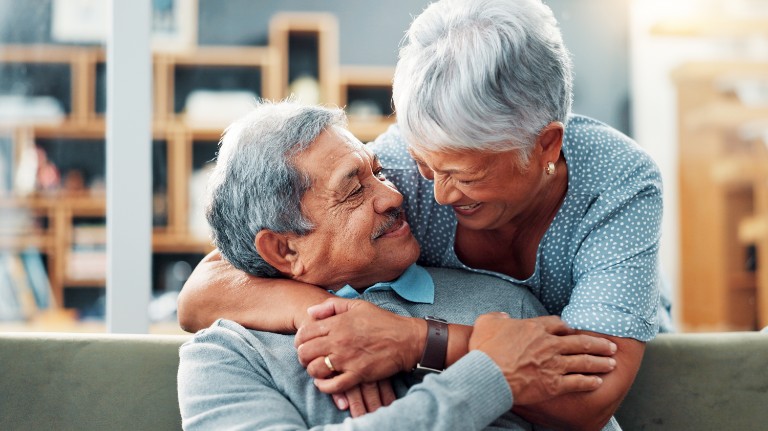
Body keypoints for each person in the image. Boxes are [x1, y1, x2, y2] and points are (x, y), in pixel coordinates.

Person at [178, 0, 671, 429]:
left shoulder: (613, 187)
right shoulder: (395, 171)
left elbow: (590, 398)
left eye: (463, 174)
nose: (428, 194)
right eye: (421, 164)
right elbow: (207, 287)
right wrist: (333, 319)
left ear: (546, 145)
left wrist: (415, 341)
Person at [177, 101, 618, 430]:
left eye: (380, 172)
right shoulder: (226, 357)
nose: (394, 196)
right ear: (285, 250)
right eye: (353, 190)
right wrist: (487, 376)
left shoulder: (505, 307)